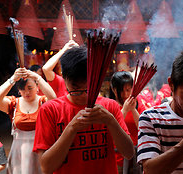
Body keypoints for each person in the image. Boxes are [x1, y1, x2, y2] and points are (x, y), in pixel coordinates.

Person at [33, 46, 134, 174]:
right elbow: (46, 167)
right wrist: (71, 128)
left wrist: (111, 121)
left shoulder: (110, 106)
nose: (84, 96)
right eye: (76, 90)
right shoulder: (50, 110)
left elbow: (129, 153)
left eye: (89, 89)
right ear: (64, 79)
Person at [0, 67, 56, 174]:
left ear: (37, 87)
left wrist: (37, 77)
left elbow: (53, 98)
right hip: (19, 152)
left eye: (30, 88)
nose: (26, 92)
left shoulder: (43, 101)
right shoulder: (14, 103)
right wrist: (13, 79)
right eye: (22, 89)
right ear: (19, 91)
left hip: (41, 150)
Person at [109, 71, 146, 173]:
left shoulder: (137, 102)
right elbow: (111, 128)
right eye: (121, 90)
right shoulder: (110, 105)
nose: (125, 94)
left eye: (128, 90)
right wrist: (124, 110)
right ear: (113, 89)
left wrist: (133, 110)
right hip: (118, 156)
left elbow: (143, 127)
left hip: (137, 154)